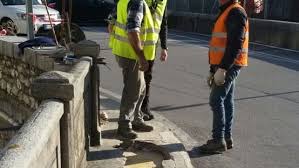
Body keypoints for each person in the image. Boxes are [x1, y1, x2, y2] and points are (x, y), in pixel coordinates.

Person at [108, 0, 168, 139]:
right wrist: (141, 56)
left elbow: (110, 25)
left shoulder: (125, 1)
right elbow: (133, 30)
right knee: (133, 89)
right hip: (131, 54)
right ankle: (124, 126)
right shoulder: (137, 3)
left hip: (127, 51)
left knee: (141, 88)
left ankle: (137, 119)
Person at [200, 0, 249, 153]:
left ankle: (218, 140)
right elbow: (219, 43)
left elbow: (236, 44)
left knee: (216, 100)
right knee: (227, 100)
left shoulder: (235, 12)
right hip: (223, 65)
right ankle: (226, 138)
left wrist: (223, 69)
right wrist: (212, 69)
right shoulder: (227, 10)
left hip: (229, 65)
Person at [141, 1, 168, 121]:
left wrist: (164, 47)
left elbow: (163, 23)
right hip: (136, 44)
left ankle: (144, 108)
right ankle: (134, 111)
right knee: (135, 80)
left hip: (151, 46)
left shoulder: (163, 1)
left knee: (147, 78)